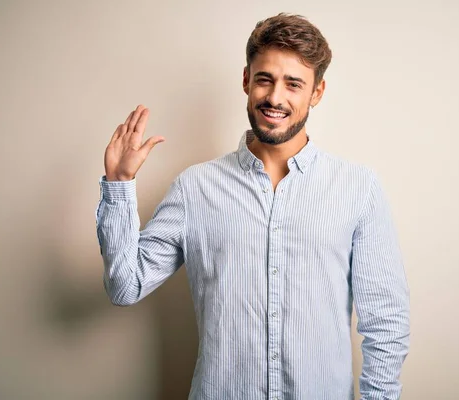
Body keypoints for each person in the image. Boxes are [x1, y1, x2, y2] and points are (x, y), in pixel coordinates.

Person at [95, 12, 410, 400]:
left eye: (293, 84)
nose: (275, 97)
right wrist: (119, 185)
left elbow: (386, 323)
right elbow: (125, 286)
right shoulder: (195, 189)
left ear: (317, 93)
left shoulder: (358, 189)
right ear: (246, 80)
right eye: (265, 79)